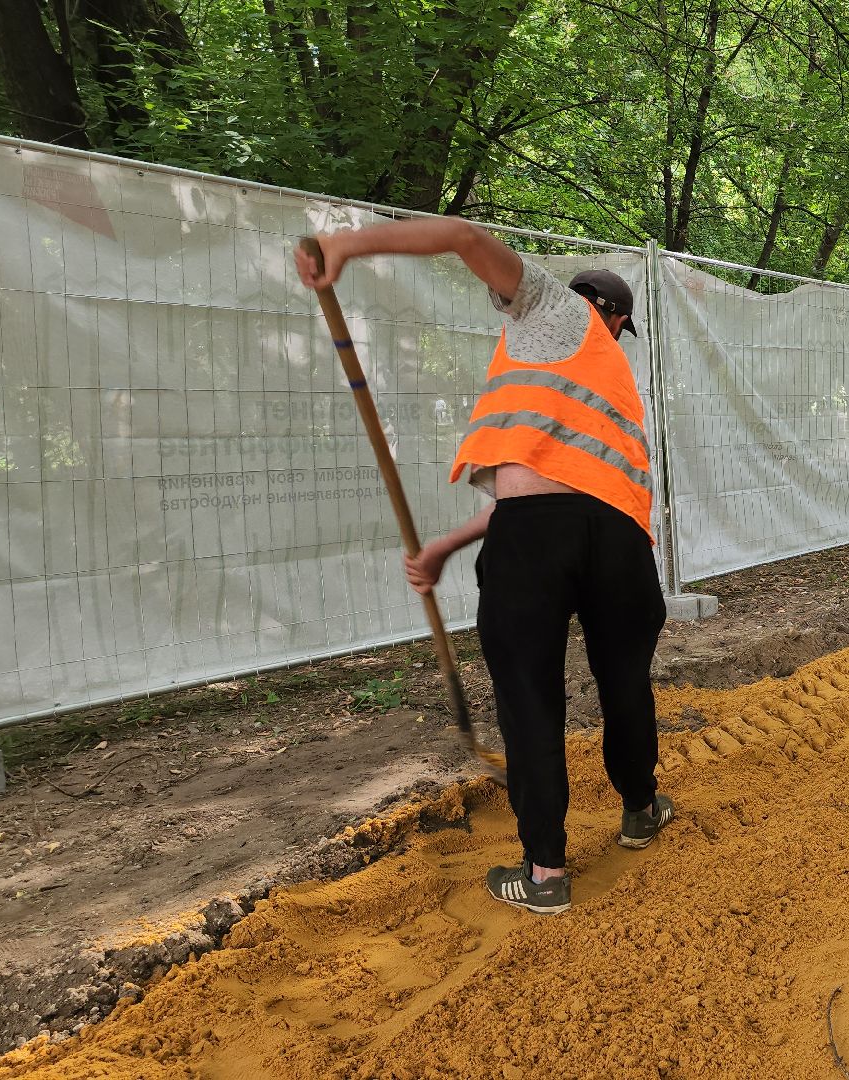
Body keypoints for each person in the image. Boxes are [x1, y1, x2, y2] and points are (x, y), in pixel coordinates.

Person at [294, 219, 673, 916]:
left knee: (529, 696)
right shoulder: (602, 361)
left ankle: (547, 876)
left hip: (538, 538)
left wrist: (348, 245)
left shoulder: (551, 310)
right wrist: (447, 546)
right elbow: (564, 487)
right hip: (619, 540)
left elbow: (465, 237)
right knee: (625, 684)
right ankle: (641, 808)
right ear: (616, 316)